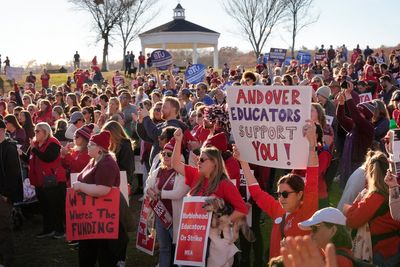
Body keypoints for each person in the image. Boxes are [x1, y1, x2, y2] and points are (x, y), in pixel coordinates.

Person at [233, 120, 319, 259]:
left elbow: (312, 180)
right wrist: (243, 162)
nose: (281, 198)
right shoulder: (278, 209)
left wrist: (312, 145)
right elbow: (256, 192)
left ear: (299, 194)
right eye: (278, 194)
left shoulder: (307, 211)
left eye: (285, 194)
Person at [171, 128, 248, 266]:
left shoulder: (224, 184)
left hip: (212, 241)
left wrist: (223, 223)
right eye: (198, 159)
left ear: (214, 163)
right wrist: (178, 141)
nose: (198, 162)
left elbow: (242, 209)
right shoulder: (196, 175)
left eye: (202, 159)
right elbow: (175, 164)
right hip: (192, 235)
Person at [72, 131, 128, 266]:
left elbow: (103, 189)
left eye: (91, 144)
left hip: (103, 219)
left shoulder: (107, 163)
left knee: (105, 256)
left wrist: (80, 186)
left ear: (100, 148)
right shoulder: (94, 160)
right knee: (87, 254)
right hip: (92, 218)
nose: (88, 147)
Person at [344, 151, 400, 266]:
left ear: (370, 173)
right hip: (394, 247)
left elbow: (352, 220)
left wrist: (358, 200)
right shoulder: (395, 191)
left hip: (379, 252)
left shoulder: (374, 197)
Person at [144, 141, 189, 267]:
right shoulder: (159, 170)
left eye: (169, 154)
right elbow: (148, 185)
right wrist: (148, 190)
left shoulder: (183, 171)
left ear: (177, 156)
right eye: (163, 153)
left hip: (177, 217)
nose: (165, 156)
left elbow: (179, 193)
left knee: (179, 248)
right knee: (164, 248)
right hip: (161, 215)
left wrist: (159, 194)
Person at [19, 122, 67, 239]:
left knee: (55, 206)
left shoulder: (53, 143)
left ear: (45, 132)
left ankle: (60, 230)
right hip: (40, 181)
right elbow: (30, 159)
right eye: (35, 131)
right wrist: (20, 154)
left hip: (53, 180)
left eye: (37, 131)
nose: (35, 133)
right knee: (45, 206)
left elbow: (48, 158)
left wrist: (34, 149)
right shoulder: (35, 143)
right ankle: (48, 229)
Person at [0, 119, 23, 267]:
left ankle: (7, 261)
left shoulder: (9, 148)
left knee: (3, 229)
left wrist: (6, 194)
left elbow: (13, 174)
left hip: (3, 196)